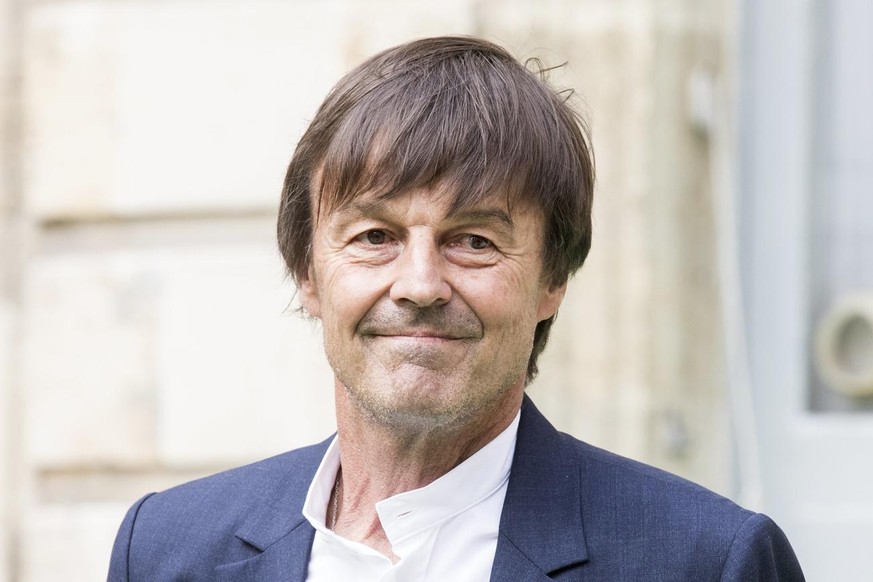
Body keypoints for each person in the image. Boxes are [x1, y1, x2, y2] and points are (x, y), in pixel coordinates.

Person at [108, 36, 804, 581]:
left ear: (551, 280)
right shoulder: (169, 551)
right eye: (374, 237)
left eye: (472, 241)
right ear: (308, 274)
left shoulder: (703, 563)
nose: (419, 284)